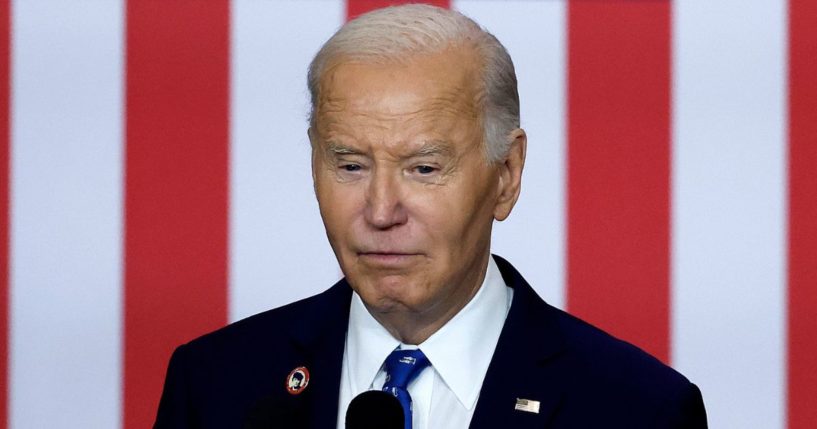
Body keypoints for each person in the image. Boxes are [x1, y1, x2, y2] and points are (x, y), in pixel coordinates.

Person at [154, 5, 707, 428]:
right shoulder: (212, 386)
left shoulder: (639, 408)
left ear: (506, 174)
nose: (380, 210)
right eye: (350, 165)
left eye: (422, 168)